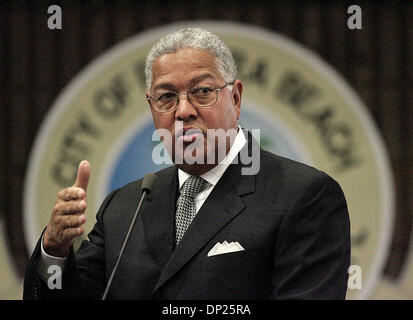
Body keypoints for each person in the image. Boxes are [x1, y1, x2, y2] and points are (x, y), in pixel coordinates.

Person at [23, 27, 350, 300]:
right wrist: (54, 250)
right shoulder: (125, 206)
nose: (183, 111)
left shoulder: (304, 196)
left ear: (235, 99)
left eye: (202, 91)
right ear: (152, 109)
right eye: (166, 97)